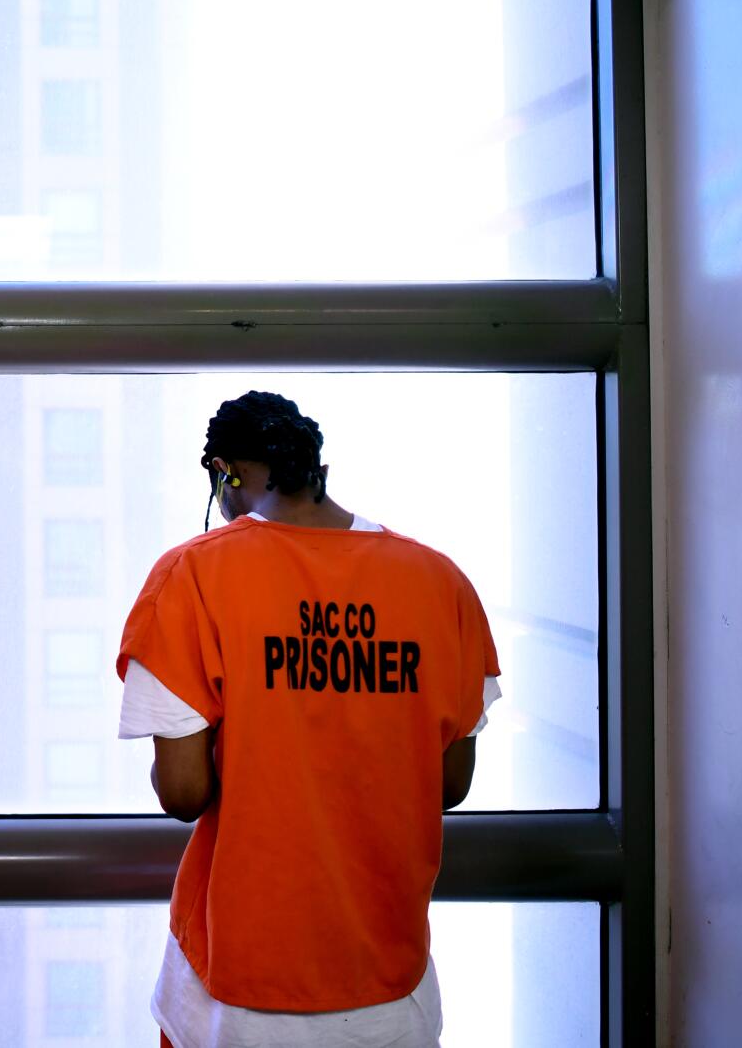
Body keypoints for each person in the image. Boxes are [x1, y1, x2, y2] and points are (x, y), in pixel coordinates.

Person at [116, 391, 501, 1048]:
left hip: (236, 994)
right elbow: (449, 784)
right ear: (315, 468)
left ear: (224, 474)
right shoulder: (441, 583)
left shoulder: (193, 576)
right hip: (388, 991)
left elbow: (182, 794)